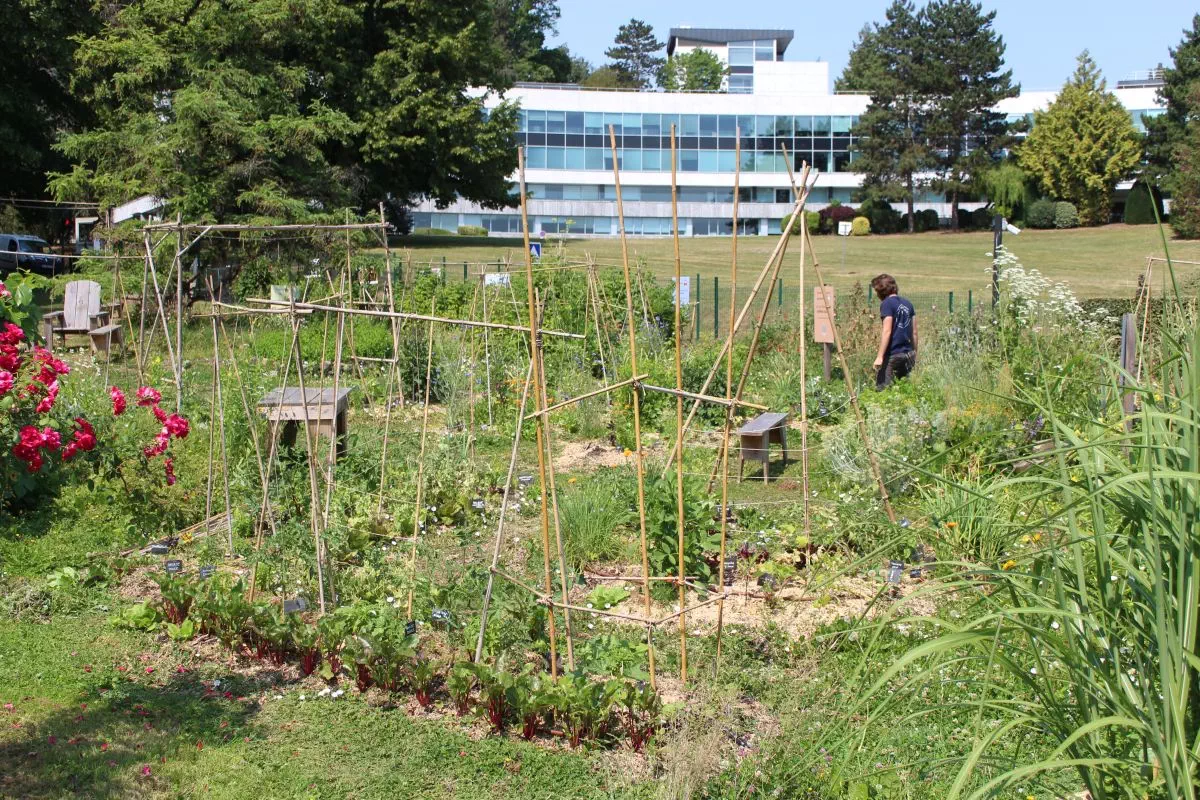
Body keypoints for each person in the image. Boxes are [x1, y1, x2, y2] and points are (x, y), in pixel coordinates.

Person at [871, 274, 917, 390]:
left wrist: (880, 357)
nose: (877, 295)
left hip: (893, 354)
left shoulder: (887, 304)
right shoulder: (908, 304)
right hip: (908, 354)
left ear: (882, 291)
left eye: (877, 292)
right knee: (904, 389)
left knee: (882, 390)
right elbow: (914, 332)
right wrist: (914, 352)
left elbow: (887, 331)